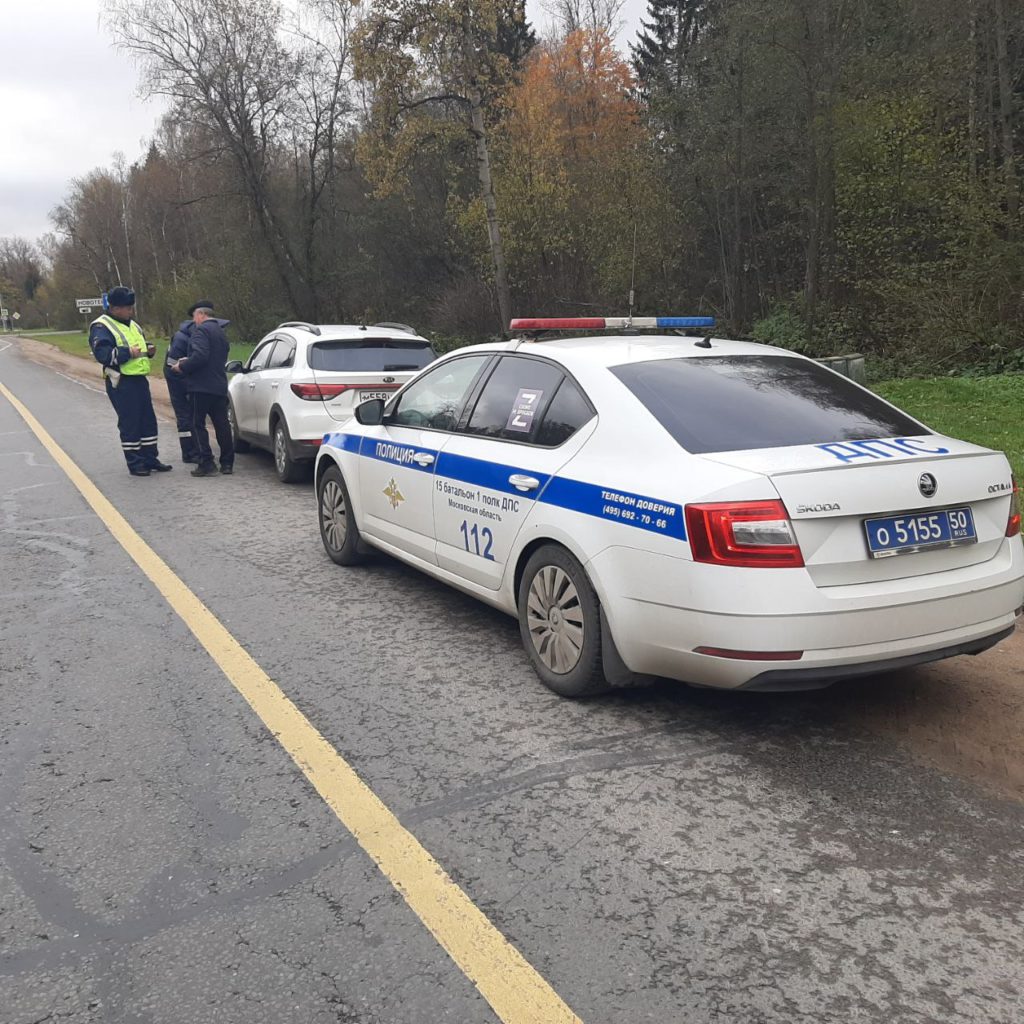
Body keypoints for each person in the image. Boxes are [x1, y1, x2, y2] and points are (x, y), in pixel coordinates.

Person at [88, 286, 172, 477]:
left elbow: (140, 346)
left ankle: (150, 458)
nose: (130, 311)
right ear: (115, 308)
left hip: (140, 379)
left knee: (148, 421)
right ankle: (135, 462)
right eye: (127, 307)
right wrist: (128, 353)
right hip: (121, 381)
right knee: (130, 422)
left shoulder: (134, 325)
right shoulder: (101, 327)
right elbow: (103, 354)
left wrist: (148, 350)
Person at [171, 301, 234, 477]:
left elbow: (200, 356)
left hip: (201, 386)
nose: (194, 321)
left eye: (194, 317)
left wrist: (182, 366)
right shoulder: (221, 332)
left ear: (200, 315)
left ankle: (206, 462)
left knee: (196, 423)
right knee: (222, 425)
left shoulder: (201, 331)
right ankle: (227, 463)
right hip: (219, 384)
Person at [164, 308, 200, 463]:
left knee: (193, 414)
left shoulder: (194, 334)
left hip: (185, 377)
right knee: (185, 416)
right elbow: (172, 364)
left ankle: (196, 448)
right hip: (176, 379)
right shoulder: (181, 338)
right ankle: (189, 452)